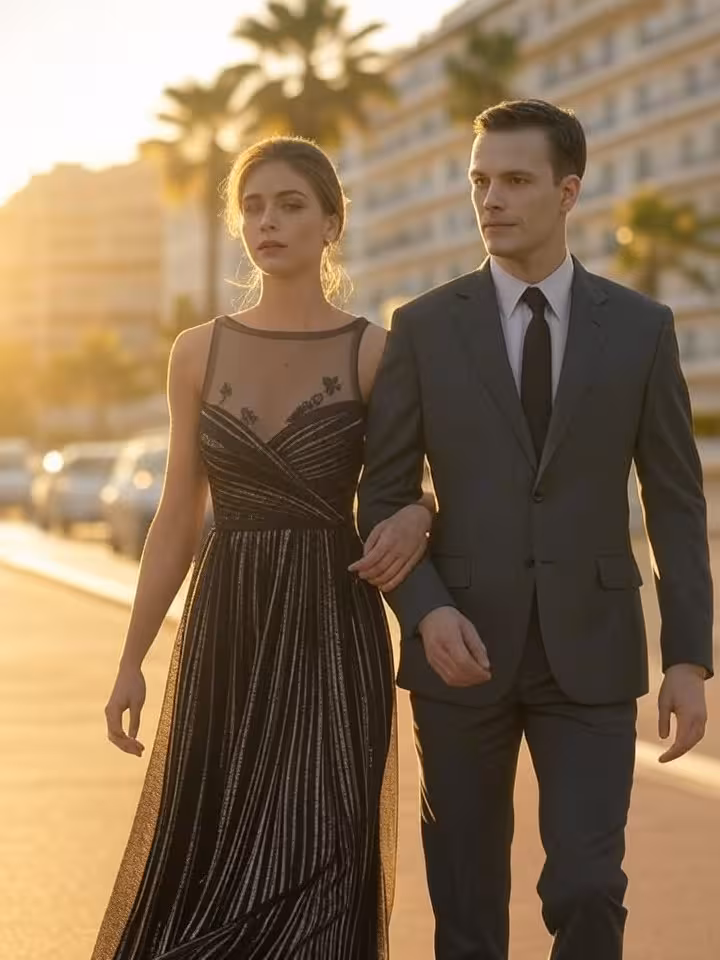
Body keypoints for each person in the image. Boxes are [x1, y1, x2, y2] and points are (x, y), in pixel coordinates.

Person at [355, 99, 713, 960]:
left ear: (568, 192)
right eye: (481, 180)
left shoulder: (641, 328)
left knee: (589, 887)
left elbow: (675, 502)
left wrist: (689, 658)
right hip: (459, 651)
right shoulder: (423, 327)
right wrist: (426, 612)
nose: (492, 199)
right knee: (467, 910)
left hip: (591, 654)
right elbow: (384, 496)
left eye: (515, 180)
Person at [92, 136, 433, 960]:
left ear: (331, 223)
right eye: (252, 206)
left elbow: (417, 486)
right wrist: (133, 658)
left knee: (327, 857)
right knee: (209, 861)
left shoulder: (375, 352)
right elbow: (177, 517)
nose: (267, 222)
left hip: (333, 627)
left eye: (289, 205)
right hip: (228, 630)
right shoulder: (196, 351)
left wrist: (422, 516)